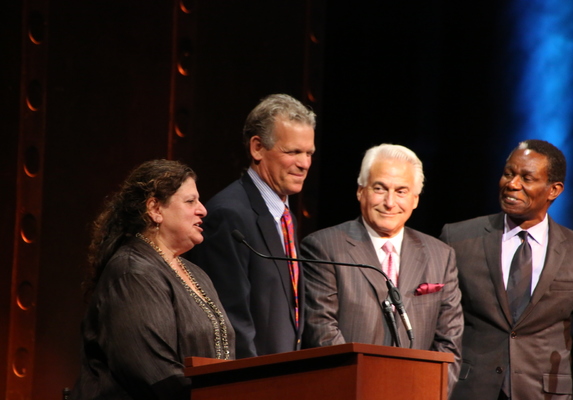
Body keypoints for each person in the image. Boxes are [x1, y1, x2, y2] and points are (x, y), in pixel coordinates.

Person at [440, 139, 573, 400]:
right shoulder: (457, 238)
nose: (512, 184)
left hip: (544, 393)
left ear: (554, 190)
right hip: (469, 389)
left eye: (527, 177)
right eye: (508, 174)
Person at [301, 143, 463, 393]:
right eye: (380, 188)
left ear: (415, 199)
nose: (390, 202)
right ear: (360, 191)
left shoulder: (441, 255)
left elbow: (449, 345)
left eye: (401, 191)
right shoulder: (324, 248)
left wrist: (426, 394)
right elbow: (323, 334)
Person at [71, 160, 234, 400]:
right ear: (155, 209)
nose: (203, 210)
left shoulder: (196, 274)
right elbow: (154, 373)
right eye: (190, 201)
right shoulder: (132, 273)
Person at [185, 94, 316, 358]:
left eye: (309, 153)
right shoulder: (229, 215)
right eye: (293, 152)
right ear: (257, 148)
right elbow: (230, 321)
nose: (304, 163)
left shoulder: (286, 216)